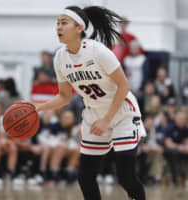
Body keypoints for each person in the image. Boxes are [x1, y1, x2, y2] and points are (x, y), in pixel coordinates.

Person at [31, 6, 146, 200]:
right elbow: (65, 96)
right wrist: (38, 108)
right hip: (94, 115)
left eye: (64, 23)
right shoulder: (60, 57)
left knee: (125, 177)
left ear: (79, 28)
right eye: (57, 23)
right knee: (85, 177)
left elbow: (124, 86)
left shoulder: (97, 51)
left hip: (122, 113)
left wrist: (107, 119)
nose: (59, 27)